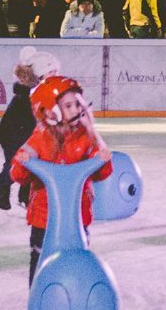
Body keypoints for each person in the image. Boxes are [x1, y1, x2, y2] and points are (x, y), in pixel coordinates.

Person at [10, 75, 113, 283]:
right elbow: (17, 175)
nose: (75, 109)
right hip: (44, 218)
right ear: (49, 111)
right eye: (68, 105)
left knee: (76, 265)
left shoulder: (86, 137)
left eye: (77, 104)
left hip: (77, 217)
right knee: (42, 268)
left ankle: (74, 304)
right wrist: (23, 161)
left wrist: (102, 156)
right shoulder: (40, 138)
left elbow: (102, 173)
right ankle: (39, 303)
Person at [0, 47, 57, 212]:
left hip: (28, 134)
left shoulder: (40, 90)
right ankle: (3, 187)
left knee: (32, 164)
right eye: (50, 72)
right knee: (15, 164)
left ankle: (24, 197)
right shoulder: (29, 93)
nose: (54, 75)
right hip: (12, 135)